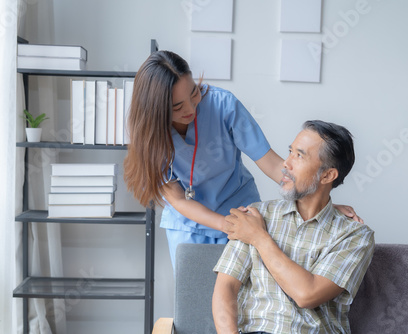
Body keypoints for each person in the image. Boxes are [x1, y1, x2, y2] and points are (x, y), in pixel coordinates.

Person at [123, 50, 362, 268]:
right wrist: (224, 224)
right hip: (188, 224)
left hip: (241, 210)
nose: (191, 108)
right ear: (156, 109)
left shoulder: (223, 105)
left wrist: (319, 206)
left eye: (194, 92)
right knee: (196, 302)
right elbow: (177, 199)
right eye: (177, 106)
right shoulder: (149, 134)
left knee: (245, 303)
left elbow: (272, 163)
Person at [212, 120, 375, 334]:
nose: (285, 164)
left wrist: (259, 238)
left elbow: (307, 294)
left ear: (328, 175)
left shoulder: (354, 235)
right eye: (290, 152)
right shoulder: (255, 215)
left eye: (299, 156)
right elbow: (226, 287)